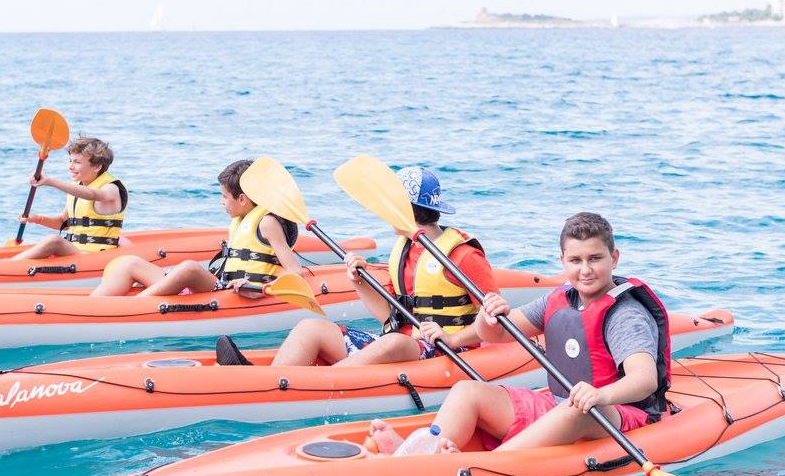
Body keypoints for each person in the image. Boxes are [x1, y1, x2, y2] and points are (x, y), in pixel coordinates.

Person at [367, 211, 672, 455]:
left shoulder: (625, 315)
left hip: (619, 413)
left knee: (582, 409)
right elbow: (499, 333)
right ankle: (420, 455)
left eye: (595, 258)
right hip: (562, 403)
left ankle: (486, 467)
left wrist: (600, 395)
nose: (585, 270)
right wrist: (486, 319)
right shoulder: (561, 298)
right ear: (562, 261)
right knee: (467, 391)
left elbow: (644, 380)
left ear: (614, 258)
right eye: (575, 260)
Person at [215, 166, 497, 367]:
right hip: (403, 343)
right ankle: (270, 380)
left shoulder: (462, 255)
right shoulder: (405, 249)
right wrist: (359, 282)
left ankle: (319, 383)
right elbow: (389, 317)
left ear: (404, 209)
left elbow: (496, 325)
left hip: (446, 351)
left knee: (394, 343)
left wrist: (452, 338)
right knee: (310, 328)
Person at [90, 159, 303, 297]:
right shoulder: (242, 219)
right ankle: (94, 305)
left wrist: (262, 288)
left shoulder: (267, 223)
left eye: (224, 197)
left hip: (237, 292)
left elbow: (294, 270)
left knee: (190, 268)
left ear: (242, 199)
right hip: (221, 283)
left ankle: (133, 307)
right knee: (130, 263)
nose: (221, 202)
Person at [11, 137, 127, 260]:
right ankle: (12, 263)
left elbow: (93, 194)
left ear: (97, 166)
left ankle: (10, 264)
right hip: (75, 251)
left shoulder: (111, 188)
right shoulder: (76, 186)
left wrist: (51, 182)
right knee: (53, 241)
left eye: (77, 162)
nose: (70, 166)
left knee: (54, 241)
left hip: (98, 256)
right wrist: (37, 219)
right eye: (70, 161)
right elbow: (63, 222)